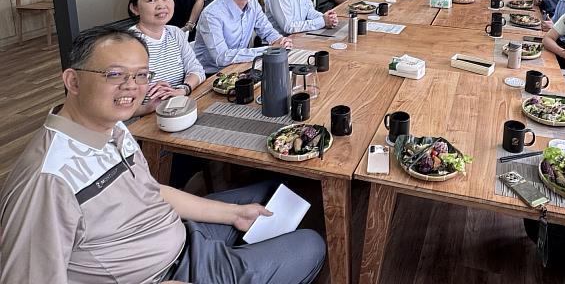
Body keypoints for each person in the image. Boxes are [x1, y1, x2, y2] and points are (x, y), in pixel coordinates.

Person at [0, 27, 325, 283]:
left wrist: (233, 214)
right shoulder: (48, 181)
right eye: (115, 74)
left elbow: (151, 192)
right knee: (311, 245)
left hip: (179, 235)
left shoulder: (112, 126)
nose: (132, 86)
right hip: (165, 274)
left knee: (273, 193)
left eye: (141, 75)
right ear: (73, 80)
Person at [194, 0, 292, 73]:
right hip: (212, 75)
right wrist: (269, 50)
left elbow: (267, 31)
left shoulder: (253, 2)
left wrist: (280, 40)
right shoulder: (212, 14)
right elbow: (221, 57)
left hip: (241, 67)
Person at [128, 0, 205, 116]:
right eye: (151, 0)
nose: (161, 6)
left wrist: (182, 90)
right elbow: (114, 99)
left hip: (181, 108)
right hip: (146, 118)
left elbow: (196, 70)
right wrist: (147, 107)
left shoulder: (175, 33)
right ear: (135, 8)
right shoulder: (128, 43)